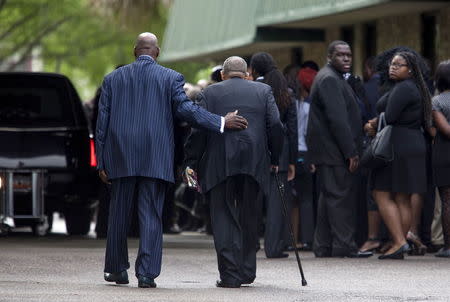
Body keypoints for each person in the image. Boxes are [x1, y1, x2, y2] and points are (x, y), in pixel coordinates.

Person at [95, 33, 248, 288]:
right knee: (151, 214)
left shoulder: (113, 79)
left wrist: (102, 160)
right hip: (155, 154)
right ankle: (146, 274)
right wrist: (221, 121)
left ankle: (116, 269)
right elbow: (187, 111)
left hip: (120, 154)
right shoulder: (170, 77)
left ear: (135, 51)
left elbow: (102, 123)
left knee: (119, 213)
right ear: (157, 52)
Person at [184, 56, 283, 288]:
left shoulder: (208, 93)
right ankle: (247, 271)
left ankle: (230, 275)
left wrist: (192, 161)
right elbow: (276, 125)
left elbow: (198, 131)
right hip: (255, 162)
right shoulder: (264, 91)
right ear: (247, 74)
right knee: (250, 216)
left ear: (222, 75)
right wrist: (275, 158)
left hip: (220, 164)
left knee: (223, 217)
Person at [306, 40, 366, 258]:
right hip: (334, 151)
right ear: (330, 57)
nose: (347, 58)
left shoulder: (331, 77)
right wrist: (350, 152)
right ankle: (345, 246)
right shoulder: (329, 79)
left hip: (328, 151)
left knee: (329, 197)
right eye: (341, 55)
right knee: (340, 198)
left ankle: (323, 246)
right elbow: (338, 120)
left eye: (349, 54)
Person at [369, 50, 432, 260]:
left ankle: (399, 241)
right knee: (403, 197)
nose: (392, 68)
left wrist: (372, 124)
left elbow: (391, 116)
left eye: (398, 65)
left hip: (398, 146)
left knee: (381, 193)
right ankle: (399, 243)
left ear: (411, 69)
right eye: (391, 64)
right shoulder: (414, 87)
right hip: (412, 143)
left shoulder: (404, 88)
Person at [250, 52, 298, 258]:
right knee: (277, 202)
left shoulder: (251, 90)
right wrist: (293, 160)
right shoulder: (285, 91)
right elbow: (293, 130)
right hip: (282, 151)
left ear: (253, 69)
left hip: (255, 150)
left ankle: (250, 244)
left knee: (252, 199)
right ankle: (274, 246)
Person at [431, 59, 450, 258]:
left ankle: (448, 246)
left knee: (447, 200)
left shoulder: (436, 101)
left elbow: (442, 130)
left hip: (444, 152)